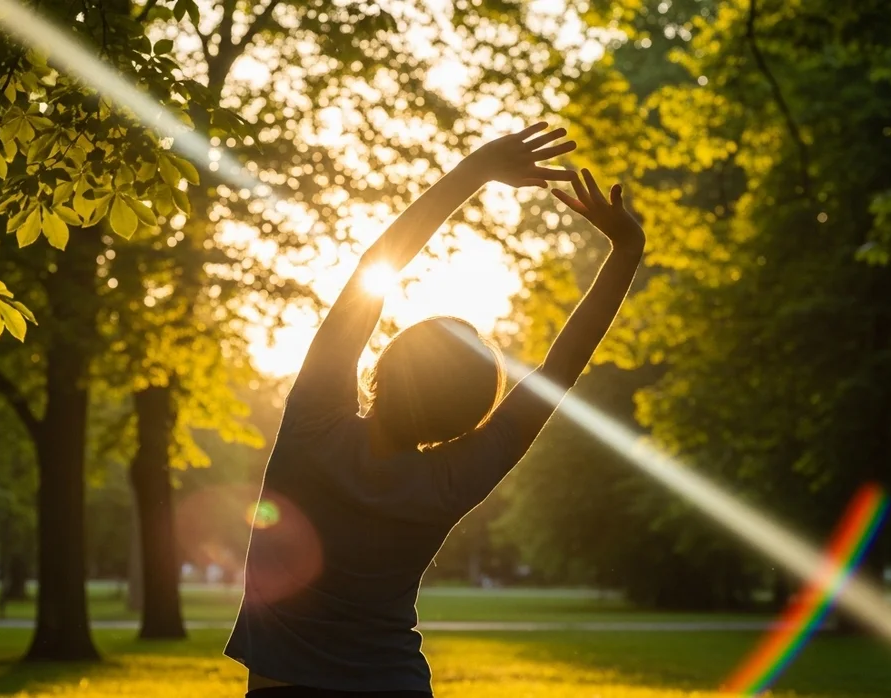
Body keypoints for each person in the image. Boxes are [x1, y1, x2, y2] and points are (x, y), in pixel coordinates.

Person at [225, 122, 647, 698]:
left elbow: (374, 269)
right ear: (468, 420)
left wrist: (476, 171)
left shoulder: (313, 429)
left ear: (380, 368)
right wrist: (626, 250)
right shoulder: (449, 480)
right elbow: (558, 371)